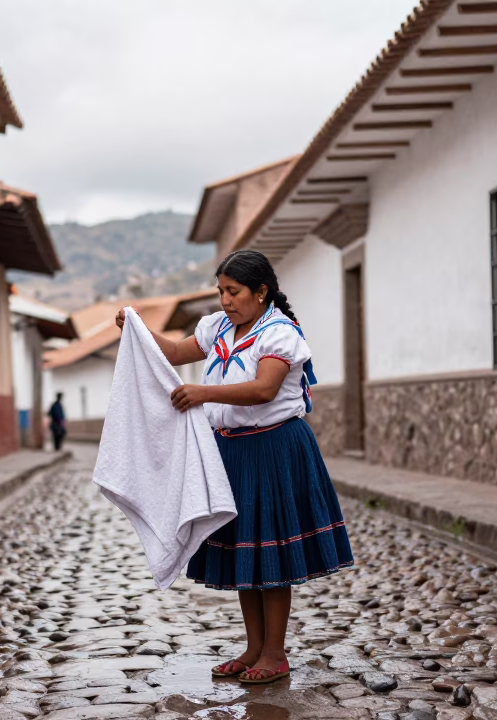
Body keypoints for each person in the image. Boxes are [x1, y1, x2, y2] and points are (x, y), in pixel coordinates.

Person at [115, 249, 354, 685]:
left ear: (261, 292)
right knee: (248, 549)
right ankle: (253, 647)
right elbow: (171, 351)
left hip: (275, 450)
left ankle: (275, 654)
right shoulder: (218, 328)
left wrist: (203, 394)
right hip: (232, 451)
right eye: (221, 290)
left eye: (235, 291)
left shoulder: (280, 333)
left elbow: (264, 389)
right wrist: (136, 327)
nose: (226, 300)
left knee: (272, 553)